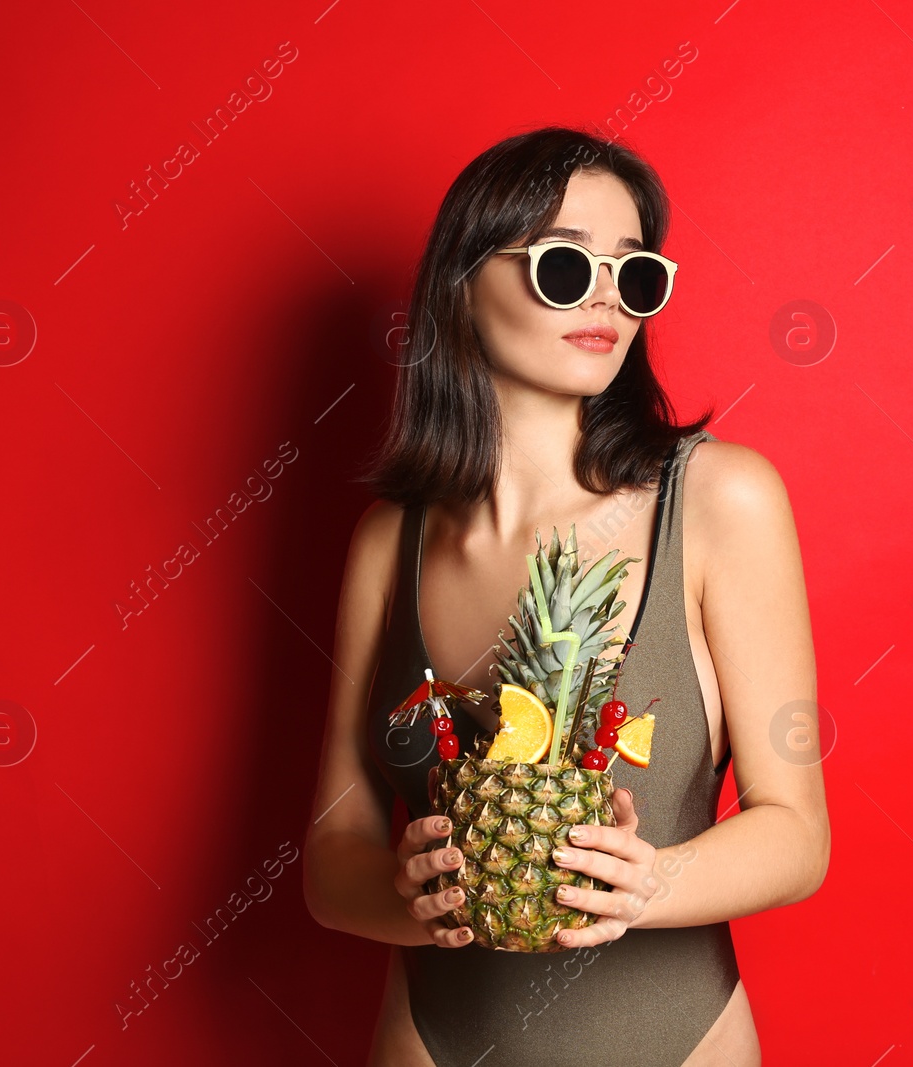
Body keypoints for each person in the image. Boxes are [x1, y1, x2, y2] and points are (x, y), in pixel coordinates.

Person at [303, 125, 829, 1066]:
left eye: (633, 275)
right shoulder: (392, 538)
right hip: (430, 1040)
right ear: (463, 284)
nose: (603, 300)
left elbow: (798, 833)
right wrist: (413, 900)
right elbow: (332, 849)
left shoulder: (719, 499)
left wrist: (651, 882)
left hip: (677, 1041)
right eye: (561, 267)